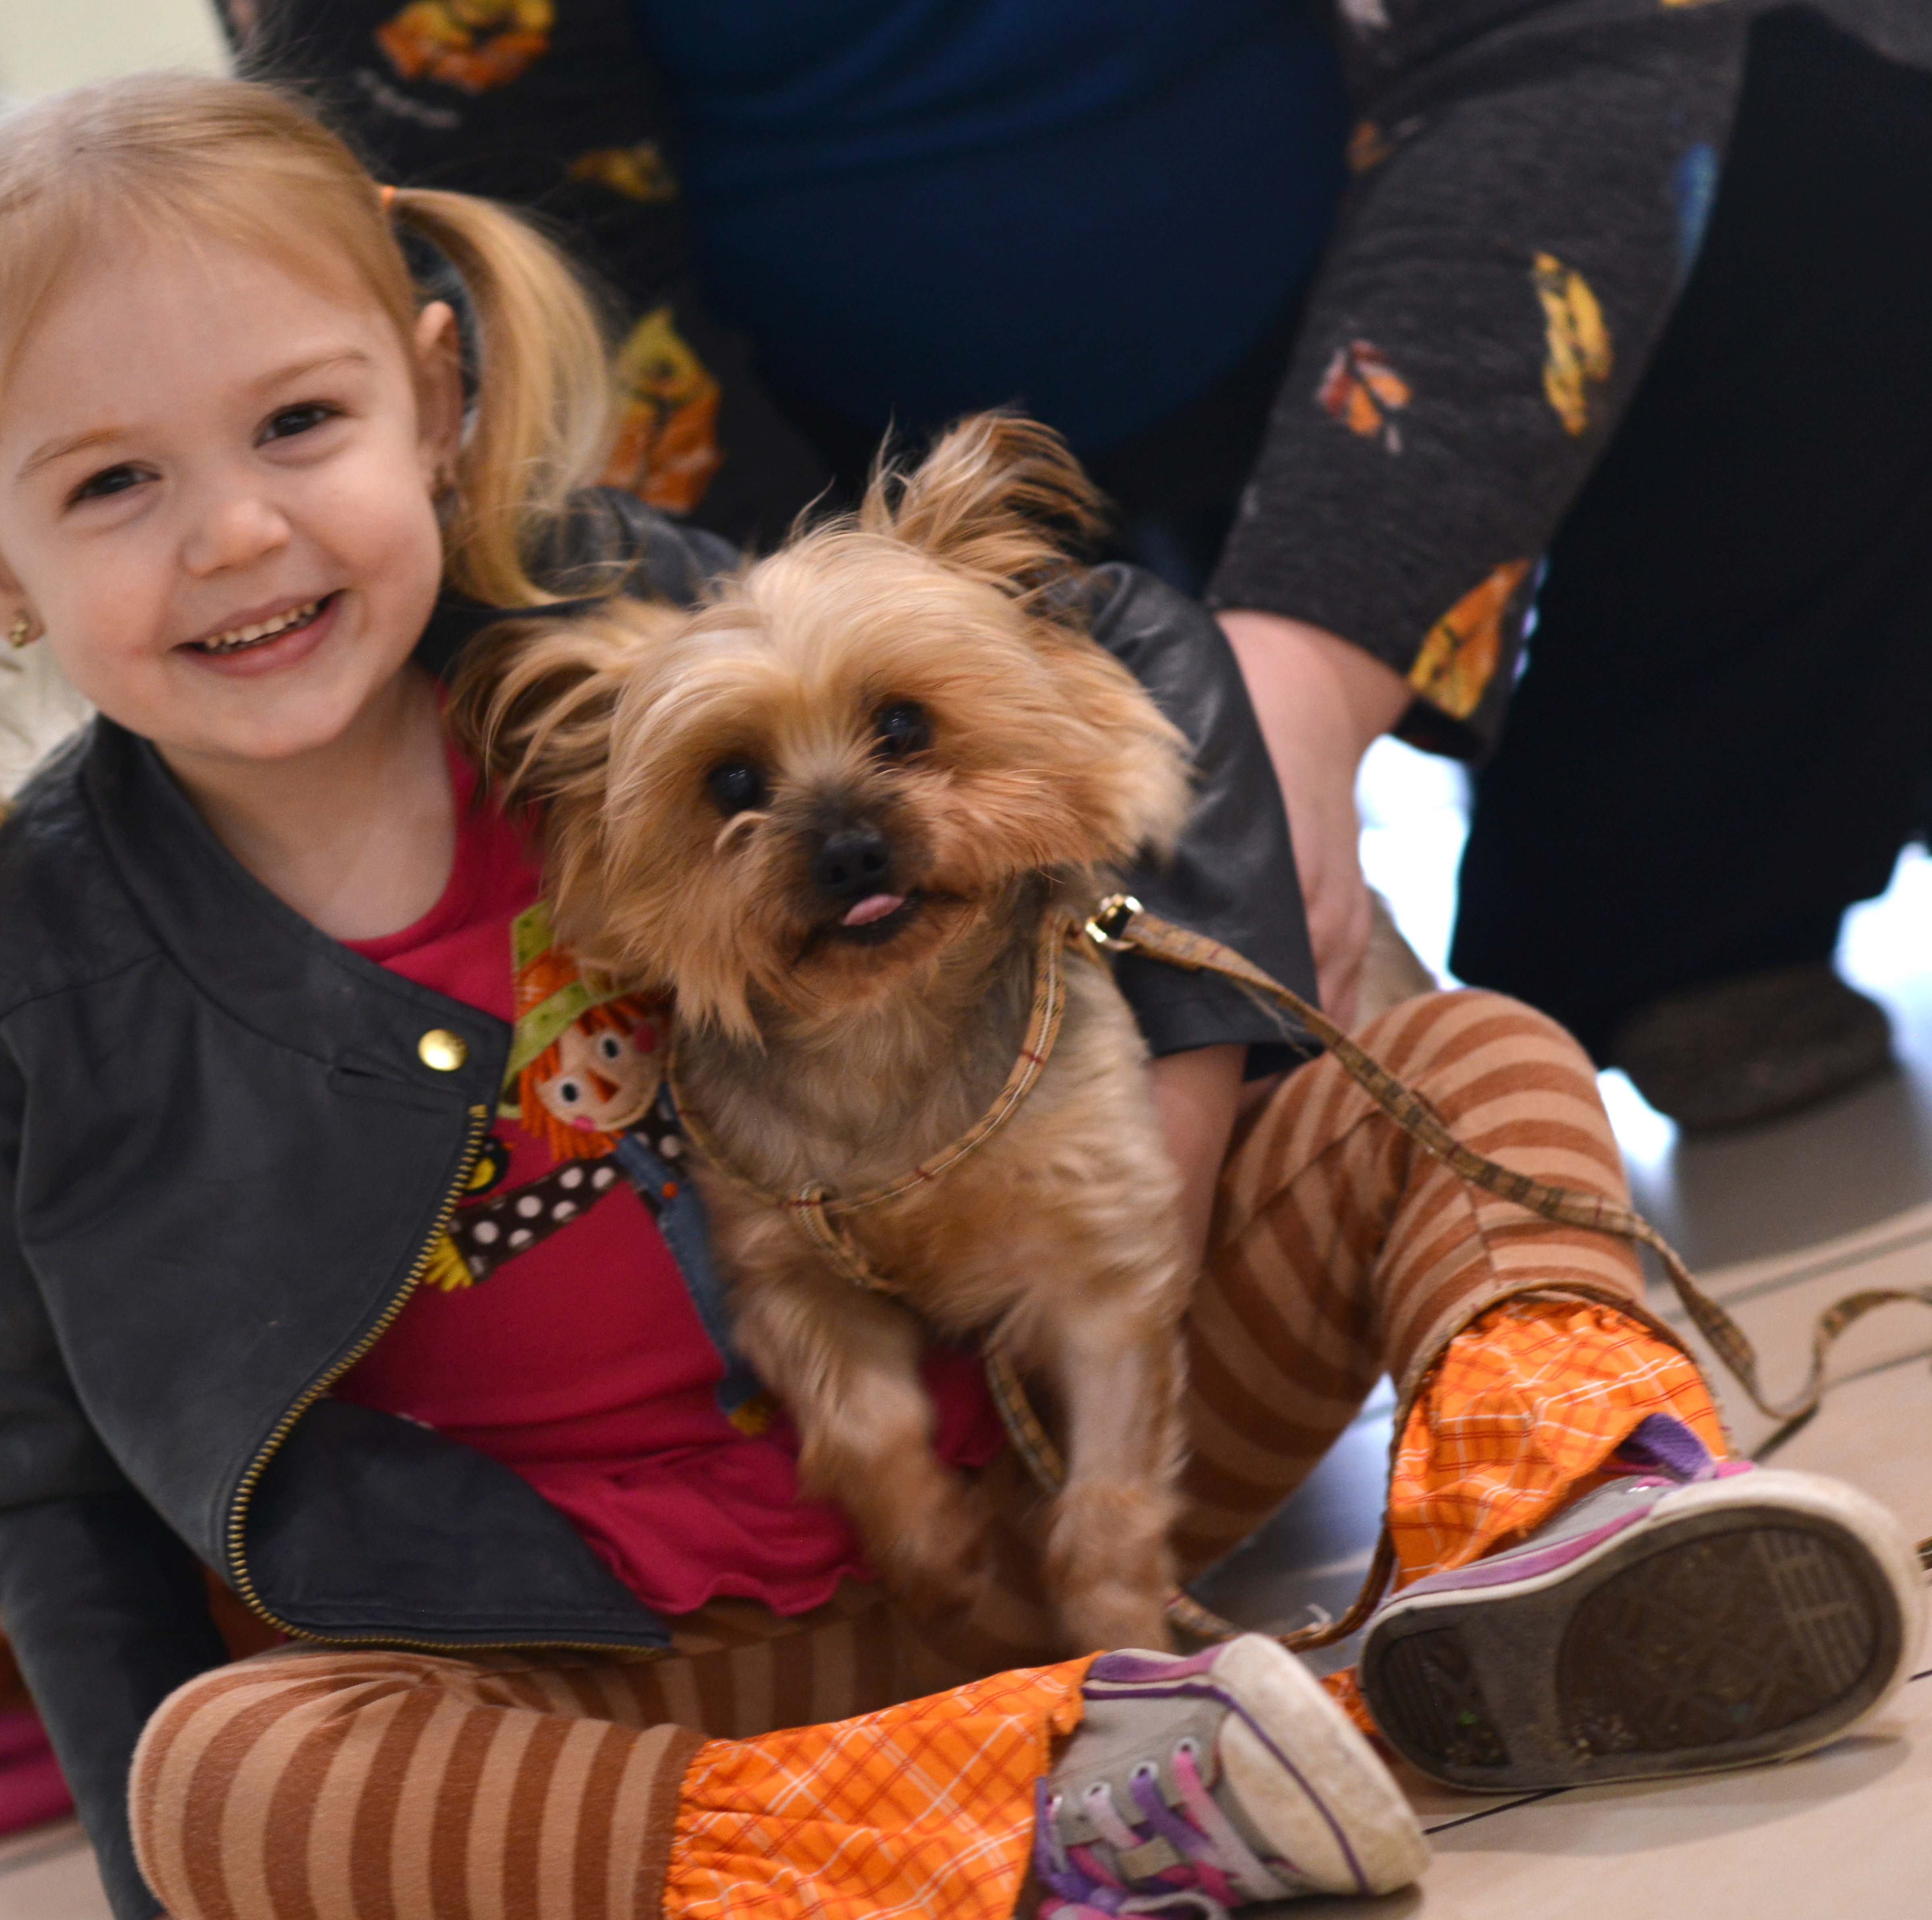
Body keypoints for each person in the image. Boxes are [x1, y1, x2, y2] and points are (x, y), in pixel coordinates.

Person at [0, 74, 1920, 1920]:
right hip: (603, 1664)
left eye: (299, 423)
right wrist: (159, 1867)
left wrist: (1175, 1065)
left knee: (1458, 1077)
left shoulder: (627, 613)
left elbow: (1123, 643)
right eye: (108, 486)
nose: (235, 530)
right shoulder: (5, 970)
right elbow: (39, 1468)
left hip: (1029, 1465)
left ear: (436, 395)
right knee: (230, 1776)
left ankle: (1565, 1521)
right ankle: (1004, 1824)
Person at [227, 0, 1932, 1135]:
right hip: (791, 426)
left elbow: (1559, 40)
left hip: (1387, 227)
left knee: (1856, 158)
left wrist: (1306, 678)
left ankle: (1664, 914)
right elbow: (505, 234)